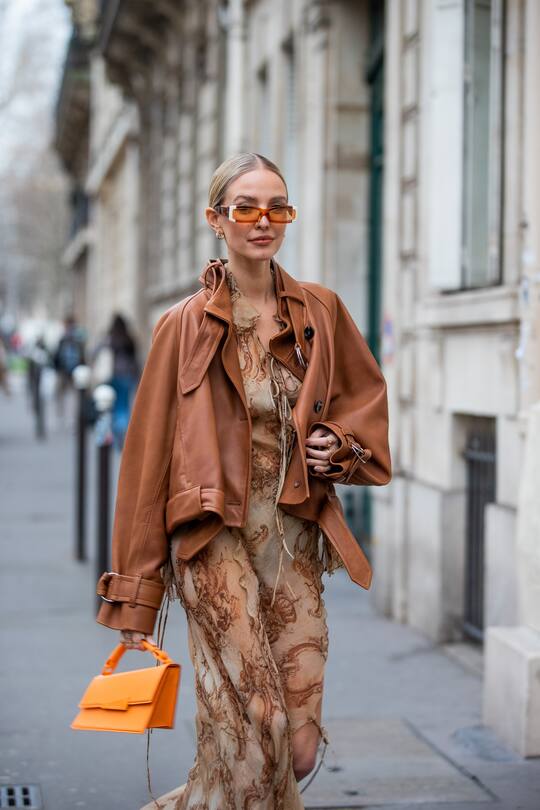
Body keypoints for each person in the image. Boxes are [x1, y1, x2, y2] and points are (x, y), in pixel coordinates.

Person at [95, 152, 392, 809]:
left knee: (301, 745)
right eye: (246, 208)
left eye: (278, 207)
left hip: (293, 542)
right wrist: (135, 596)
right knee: (264, 726)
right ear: (216, 220)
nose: (264, 221)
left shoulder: (321, 312)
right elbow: (145, 463)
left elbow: (364, 410)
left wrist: (337, 447)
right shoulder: (181, 327)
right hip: (212, 543)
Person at [92, 313, 140, 450]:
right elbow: (136, 361)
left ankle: (113, 435)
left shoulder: (109, 339)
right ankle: (122, 434)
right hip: (127, 377)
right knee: (123, 407)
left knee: (111, 408)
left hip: (111, 377)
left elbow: (93, 353)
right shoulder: (129, 339)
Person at [53, 315, 85, 426]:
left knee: (68, 394)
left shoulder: (72, 337)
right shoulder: (76, 337)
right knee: (70, 394)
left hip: (70, 370)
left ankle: (66, 417)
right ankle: (67, 416)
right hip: (69, 369)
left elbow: (57, 354)